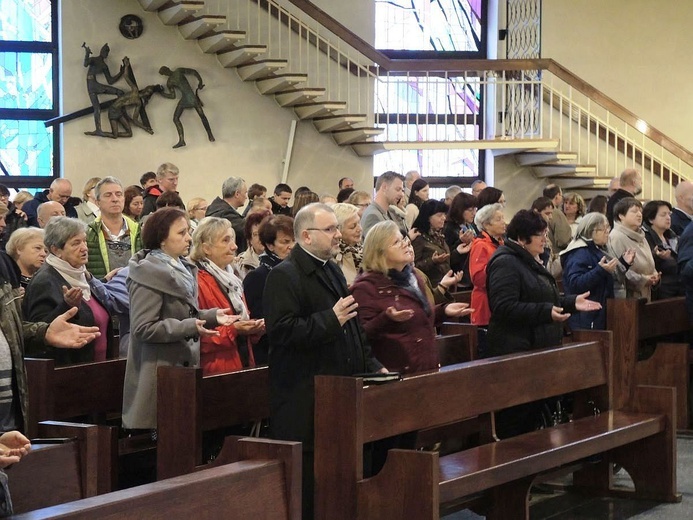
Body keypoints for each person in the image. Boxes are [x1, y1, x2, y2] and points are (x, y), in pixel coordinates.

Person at [264, 203, 384, 520]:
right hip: (306, 397)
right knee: (310, 487)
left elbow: (353, 325)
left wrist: (372, 366)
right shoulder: (284, 276)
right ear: (306, 235)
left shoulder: (329, 267)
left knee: (340, 480)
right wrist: (329, 320)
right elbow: (281, 332)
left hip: (339, 392)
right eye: (329, 229)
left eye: (335, 228)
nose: (337, 235)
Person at [485, 210, 599, 437]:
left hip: (535, 348)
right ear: (522, 237)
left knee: (532, 415)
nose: (545, 239)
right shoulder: (506, 262)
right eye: (540, 234)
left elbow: (542, 297)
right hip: (516, 351)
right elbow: (504, 307)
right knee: (517, 418)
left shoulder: (527, 259)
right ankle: (514, 466)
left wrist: (571, 302)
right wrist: (546, 312)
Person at [122, 208, 235, 431]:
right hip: (158, 374)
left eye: (188, 232)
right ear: (162, 239)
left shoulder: (182, 268)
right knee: (167, 443)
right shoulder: (147, 274)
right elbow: (144, 327)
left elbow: (184, 314)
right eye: (181, 233)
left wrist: (211, 316)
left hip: (180, 371)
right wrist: (190, 326)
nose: (189, 238)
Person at [351, 220, 472, 374]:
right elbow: (360, 337)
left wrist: (443, 311)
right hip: (395, 372)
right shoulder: (366, 288)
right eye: (396, 242)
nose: (405, 244)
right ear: (379, 252)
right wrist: (386, 319)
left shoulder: (413, 276)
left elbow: (416, 319)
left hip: (425, 365)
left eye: (403, 239)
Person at [23, 217, 115, 365]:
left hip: (97, 370)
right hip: (67, 375)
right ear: (56, 250)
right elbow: (38, 334)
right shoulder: (45, 281)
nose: (84, 248)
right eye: (76, 243)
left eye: (84, 241)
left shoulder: (81, 274)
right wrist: (66, 305)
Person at [190, 217, 265, 375]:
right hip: (216, 370)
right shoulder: (197, 281)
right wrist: (234, 330)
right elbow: (196, 337)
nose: (234, 246)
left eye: (233, 240)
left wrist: (254, 329)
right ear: (206, 248)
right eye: (226, 240)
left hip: (241, 362)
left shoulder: (232, 278)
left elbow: (239, 320)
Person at [242, 215, 294, 364]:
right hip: (271, 354)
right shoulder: (257, 278)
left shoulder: (298, 272)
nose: (292, 246)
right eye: (285, 242)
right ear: (270, 246)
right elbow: (257, 321)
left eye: (294, 240)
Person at [560, 213, 622, 330]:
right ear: (591, 231)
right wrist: (600, 270)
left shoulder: (597, 249)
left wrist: (624, 263)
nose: (607, 231)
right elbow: (575, 284)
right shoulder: (579, 253)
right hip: (585, 315)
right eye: (603, 229)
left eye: (608, 227)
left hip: (598, 311)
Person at [86, 177, 142, 279]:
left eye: (119, 194)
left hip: (135, 291)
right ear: (98, 202)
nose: (115, 199)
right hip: (102, 291)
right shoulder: (88, 234)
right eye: (108, 195)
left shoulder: (140, 232)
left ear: (124, 199)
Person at [469, 203, 505, 353]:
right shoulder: (480, 245)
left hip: (497, 303)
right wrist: (501, 273)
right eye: (499, 219)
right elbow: (477, 278)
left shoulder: (500, 243)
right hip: (485, 306)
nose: (504, 222)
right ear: (486, 224)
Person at [608, 197, 659, 301]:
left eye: (640, 211)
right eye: (634, 211)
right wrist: (644, 280)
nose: (639, 215)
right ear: (621, 215)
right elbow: (620, 270)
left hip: (646, 293)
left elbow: (648, 262)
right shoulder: (616, 237)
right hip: (628, 297)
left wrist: (654, 275)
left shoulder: (641, 235)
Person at [158, 65, 215, 148]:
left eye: (164, 72)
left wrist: (200, 82)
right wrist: (161, 93)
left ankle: (209, 134)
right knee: (178, 118)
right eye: (163, 73)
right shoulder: (170, 81)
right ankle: (182, 140)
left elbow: (194, 72)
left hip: (189, 97)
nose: (165, 73)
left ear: (167, 69)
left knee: (200, 116)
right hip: (188, 97)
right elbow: (173, 96)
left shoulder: (176, 73)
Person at [642, 200, 682, 299]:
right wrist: (657, 257)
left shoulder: (673, 236)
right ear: (651, 219)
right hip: (661, 289)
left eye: (669, 214)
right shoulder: (645, 238)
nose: (668, 218)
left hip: (679, 286)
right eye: (663, 215)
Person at [82, 42, 124, 135]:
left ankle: (117, 112)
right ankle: (98, 129)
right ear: (101, 51)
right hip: (92, 84)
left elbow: (110, 80)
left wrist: (121, 73)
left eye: (107, 52)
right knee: (97, 108)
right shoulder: (94, 60)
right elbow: (85, 64)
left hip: (93, 85)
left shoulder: (104, 65)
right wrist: (87, 53)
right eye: (105, 51)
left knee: (119, 93)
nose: (106, 53)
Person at [411, 199, 452, 286]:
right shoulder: (418, 237)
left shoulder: (439, 235)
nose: (444, 218)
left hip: (444, 284)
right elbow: (412, 267)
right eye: (439, 215)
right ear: (428, 217)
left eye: (444, 214)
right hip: (428, 286)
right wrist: (432, 261)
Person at [361, 171, 411, 239]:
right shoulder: (372, 215)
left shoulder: (391, 212)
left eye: (402, 190)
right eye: (398, 189)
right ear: (384, 187)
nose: (402, 194)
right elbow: (375, 247)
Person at [205, 177, 248, 253]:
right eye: (245, 193)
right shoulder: (225, 214)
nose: (246, 197)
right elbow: (247, 229)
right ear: (237, 194)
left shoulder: (215, 209)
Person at [444, 192, 477, 285]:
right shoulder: (449, 228)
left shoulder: (469, 225)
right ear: (460, 210)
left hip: (470, 272)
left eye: (475, 209)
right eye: (470, 210)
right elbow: (448, 255)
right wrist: (460, 241)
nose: (474, 213)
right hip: (458, 276)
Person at [233, 210, 270, 279]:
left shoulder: (281, 258)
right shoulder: (241, 264)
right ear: (250, 239)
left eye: (264, 233)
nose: (261, 238)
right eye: (256, 234)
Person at [332, 203, 363, 285]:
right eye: (353, 226)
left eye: (359, 223)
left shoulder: (365, 250)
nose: (359, 229)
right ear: (338, 230)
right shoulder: (333, 258)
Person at [543, 184, 571, 253]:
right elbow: (563, 241)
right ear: (557, 195)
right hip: (554, 255)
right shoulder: (556, 214)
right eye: (561, 195)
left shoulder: (538, 210)